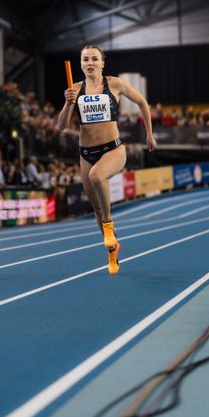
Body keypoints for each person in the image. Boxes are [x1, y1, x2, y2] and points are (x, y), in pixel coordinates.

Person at [58, 45, 156, 275]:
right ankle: (112, 252)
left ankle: (110, 224)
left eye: (94, 59)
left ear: (102, 63)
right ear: (81, 64)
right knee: (94, 207)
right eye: (85, 59)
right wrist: (67, 103)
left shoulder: (115, 84)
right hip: (86, 153)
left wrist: (150, 134)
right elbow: (61, 126)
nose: (90, 62)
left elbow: (143, 103)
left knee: (96, 176)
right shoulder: (74, 89)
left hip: (113, 149)